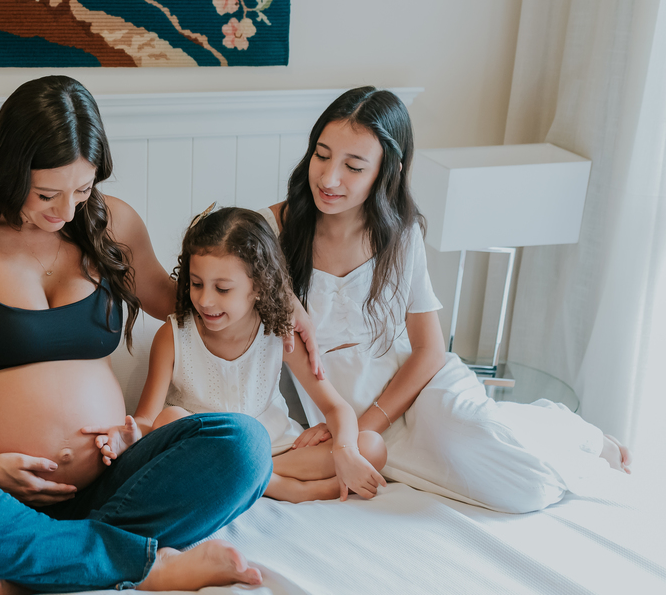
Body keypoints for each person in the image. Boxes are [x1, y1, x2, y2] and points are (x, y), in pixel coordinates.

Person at [0, 76, 319, 595]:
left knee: (245, 446)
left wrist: (279, 297)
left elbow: (183, 300)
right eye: (46, 194)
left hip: (118, 486)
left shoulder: (111, 223)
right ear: (9, 169)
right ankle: (136, 564)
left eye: (81, 191)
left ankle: (35, 569)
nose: (65, 212)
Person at [267, 86, 630, 513]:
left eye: (353, 166)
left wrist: (359, 429)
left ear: (388, 171)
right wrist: (345, 428)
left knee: (520, 478)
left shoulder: (400, 235)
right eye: (322, 155)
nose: (329, 178)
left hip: (417, 391)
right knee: (516, 490)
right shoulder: (270, 232)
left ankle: (574, 432)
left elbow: (429, 351)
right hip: (339, 412)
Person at [96, 207, 388, 503]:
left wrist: (345, 451)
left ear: (259, 286)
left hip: (276, 450)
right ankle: (286, 488)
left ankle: (254, 476)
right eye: (196, 284)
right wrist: (130, 436)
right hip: (204, 451)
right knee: (170, 418)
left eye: (222, 289)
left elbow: (336, 408)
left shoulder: (280, 332)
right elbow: (148, 420)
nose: (205, 300)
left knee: (372, 446)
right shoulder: (173, 336)